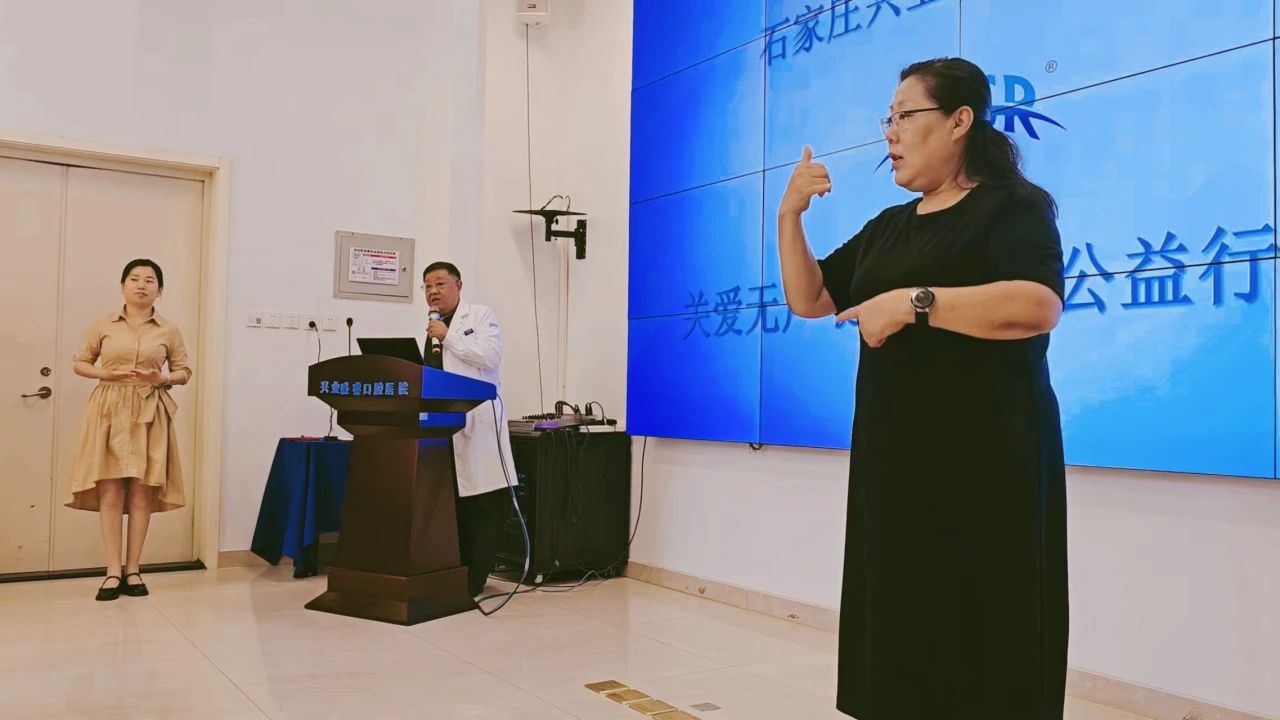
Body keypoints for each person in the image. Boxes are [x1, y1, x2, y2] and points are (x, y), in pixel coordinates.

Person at [777, 57, 1068, 719]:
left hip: (988, 465)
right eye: (888, 118)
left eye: (905, 116)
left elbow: (1037, 304)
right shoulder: (889, 226)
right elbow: (811, 298)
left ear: (960, 120)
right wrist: (790, 216)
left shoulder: (1014, 208)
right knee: (900, 630)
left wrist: (915, 303)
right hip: (896, 464)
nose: (891, 132)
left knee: (984, 633)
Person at [68, 259, 191, 601]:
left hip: (150, 412)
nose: (141, 285)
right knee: (109, 490)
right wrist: (106, 374)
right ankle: (111, 571)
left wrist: (162, 378)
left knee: (141, 492)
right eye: (134, 279)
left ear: (159, 290)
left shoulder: (169, 330)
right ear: (123, 286)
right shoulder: (102, 325)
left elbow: (184, 371)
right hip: (108, 410)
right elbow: (79, 362)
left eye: (150, 280)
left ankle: (133, 569)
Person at [421, 261, 517, 598]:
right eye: (427, 286)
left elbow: (491, 356)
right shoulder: (432, 328)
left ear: (458, 285)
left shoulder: (480, 316)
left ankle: (475, 577)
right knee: (455, 505)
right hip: (443, 428)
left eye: (440, 284)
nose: (433, 291)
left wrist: (448, 337)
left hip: (478, 424)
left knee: (482, 505)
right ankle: (456, 571)